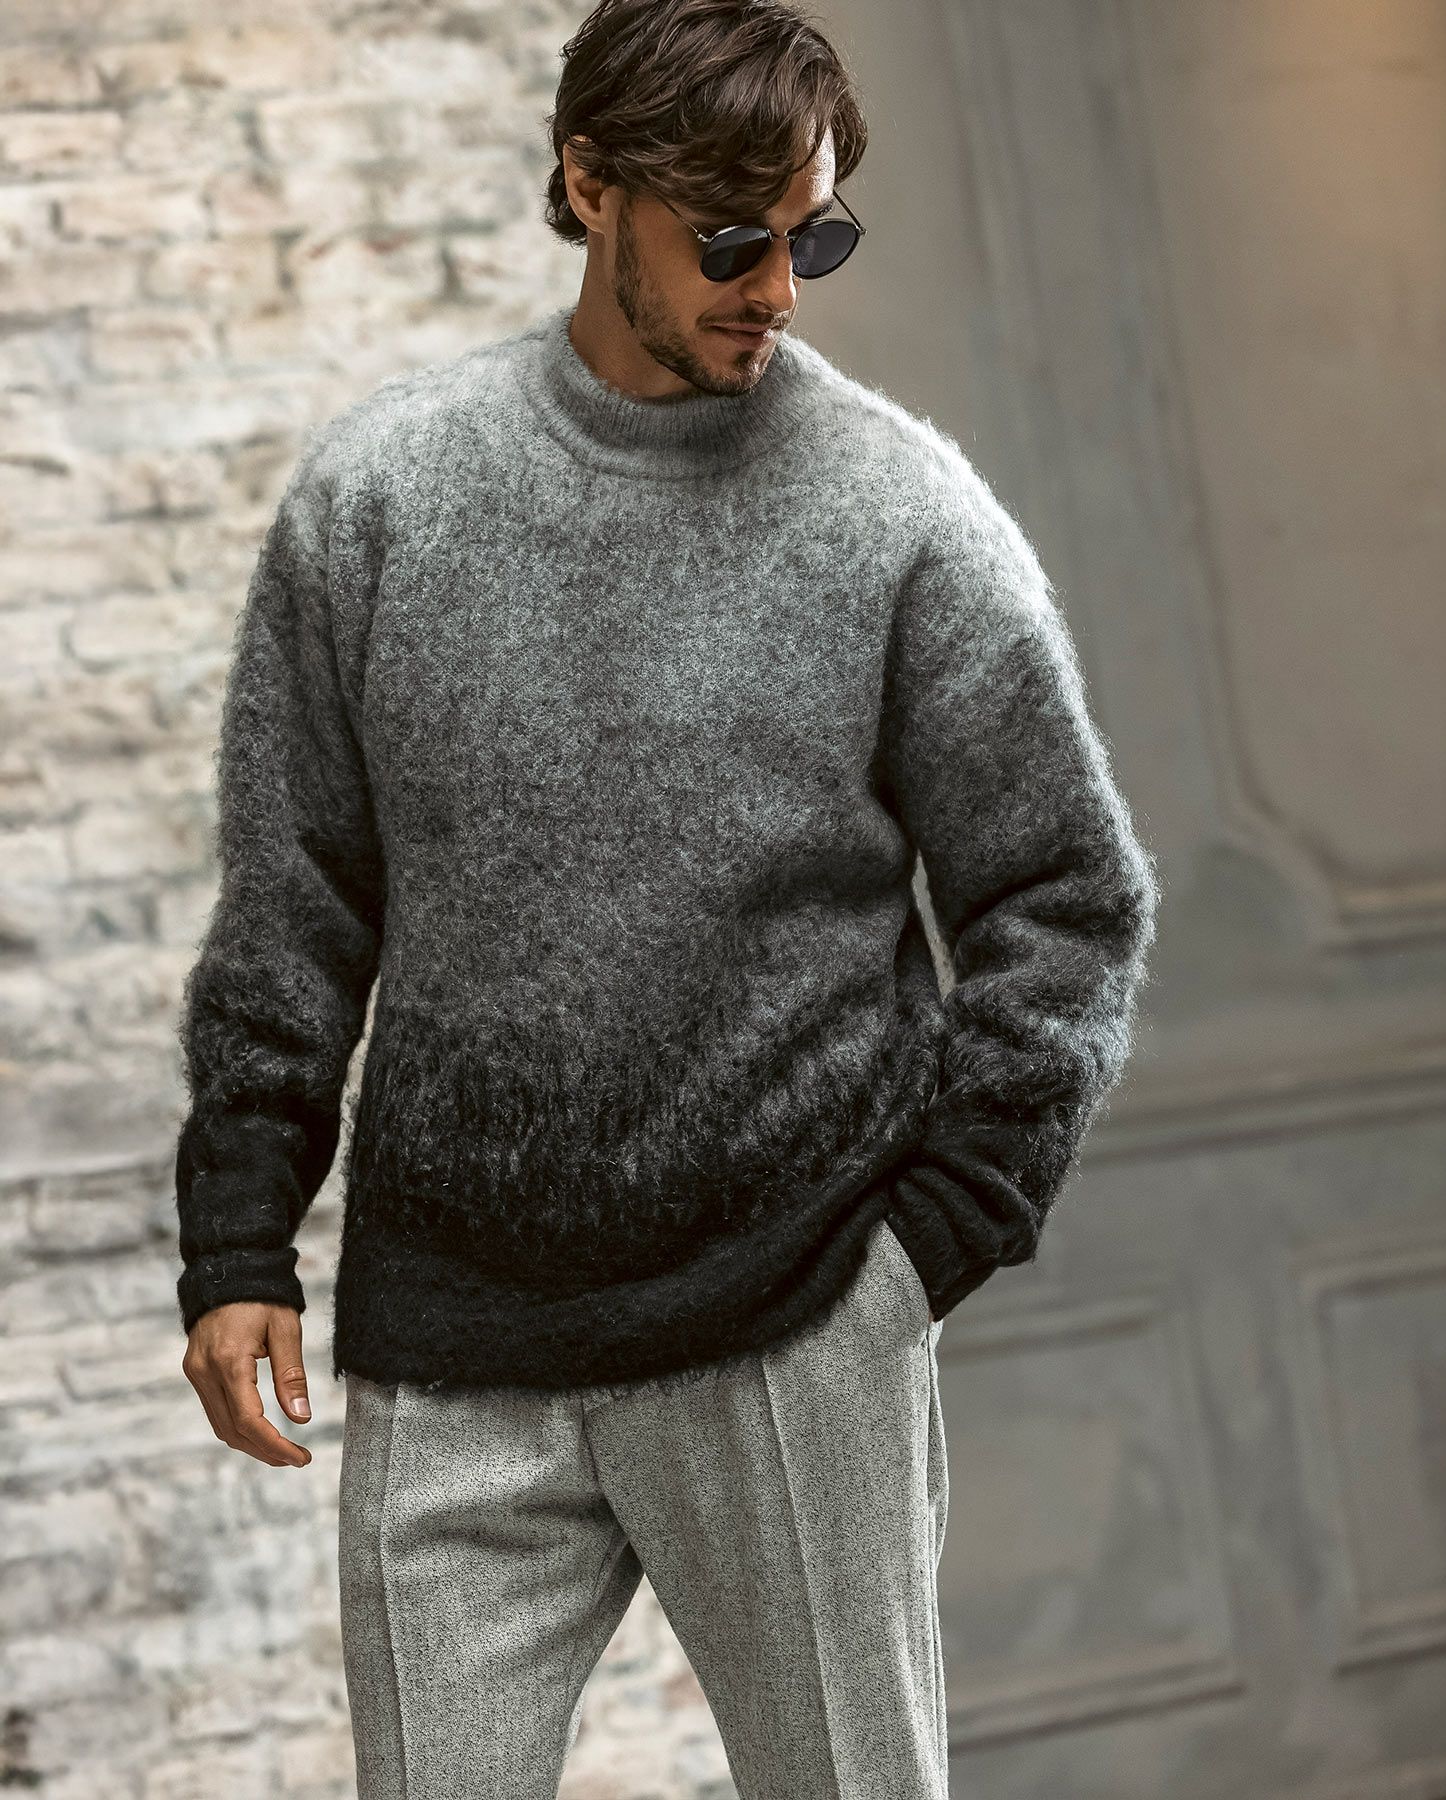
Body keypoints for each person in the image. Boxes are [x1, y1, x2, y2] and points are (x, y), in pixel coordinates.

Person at [172, 0, 1161, 1792]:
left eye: (814, 240)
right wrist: (242, 1236)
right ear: (588, 184)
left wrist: (923, 1250)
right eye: (729, 242)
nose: (776, 289)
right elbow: (295, 897)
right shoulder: (380, 503)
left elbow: (1066, 899)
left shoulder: (898, 516)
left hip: (793, 1327)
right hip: (455, 1349)